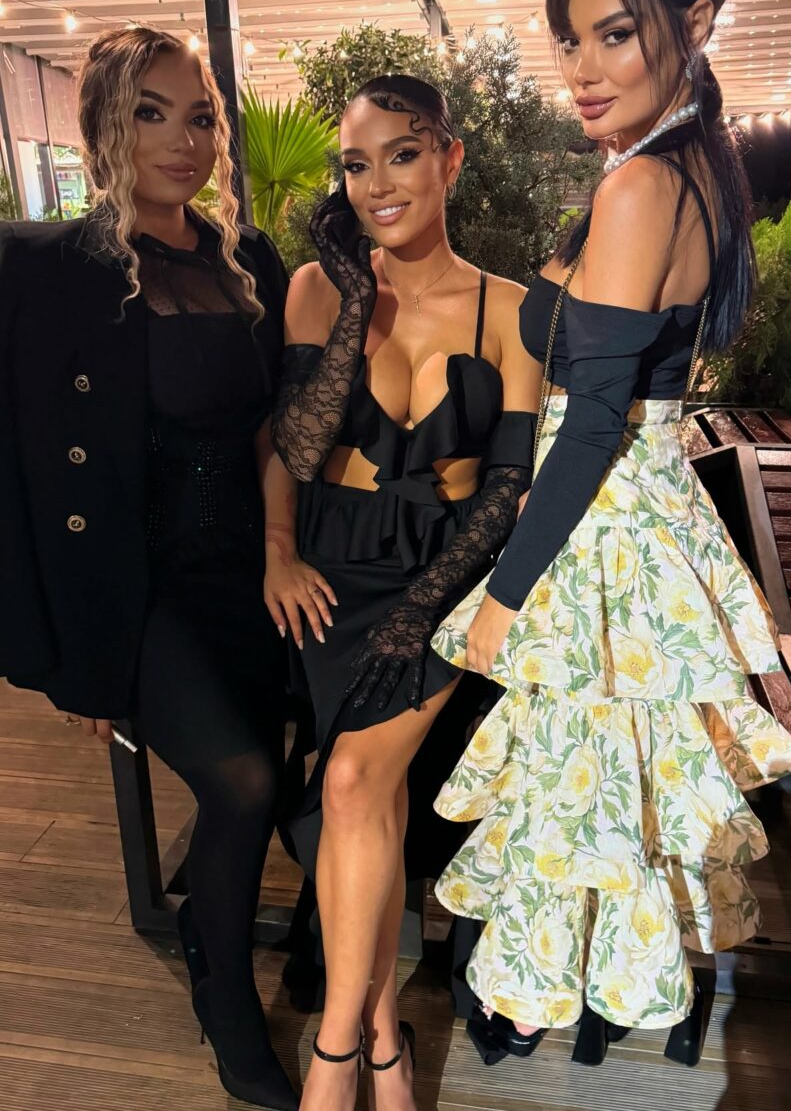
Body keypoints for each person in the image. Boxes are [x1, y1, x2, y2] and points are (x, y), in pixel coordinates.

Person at [429, 0, 791, 1065]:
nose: (582, 69)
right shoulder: (689, 168)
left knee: (579, 780)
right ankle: (596, 990)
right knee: (620, 780)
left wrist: (504, 597)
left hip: (601, 521)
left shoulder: (644, 186)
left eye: (614, 35)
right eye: (569, 40)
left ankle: (544, 997)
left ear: (694, 24)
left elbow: (589, 421)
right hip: (642, 509)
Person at [0, 26, 326, 1111]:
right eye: (151, 113)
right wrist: (71, 653)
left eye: (198, 118)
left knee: (315, 749)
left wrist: (287, 549)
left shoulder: (248, 259)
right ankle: (222, 988)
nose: (183, 141)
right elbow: (17, 467)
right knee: (244, 781)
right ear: (104, 122)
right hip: (135, 591)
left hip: (250, 567)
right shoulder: (45, 269)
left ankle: (305, 936)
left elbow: (275, 425)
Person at [270, 74, 541, 1111]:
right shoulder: (316, 287)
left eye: (403, 154)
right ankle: (386, 1036)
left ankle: (335, 1054)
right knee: (365, 800)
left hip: (446, 577)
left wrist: (427, 608)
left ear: (450, 159)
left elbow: (507, 487)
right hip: (331, 575)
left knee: (348, 785)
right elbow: (298, 449)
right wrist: (354, 305)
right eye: (356, 163)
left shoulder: (511, 309)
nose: (378, 183)